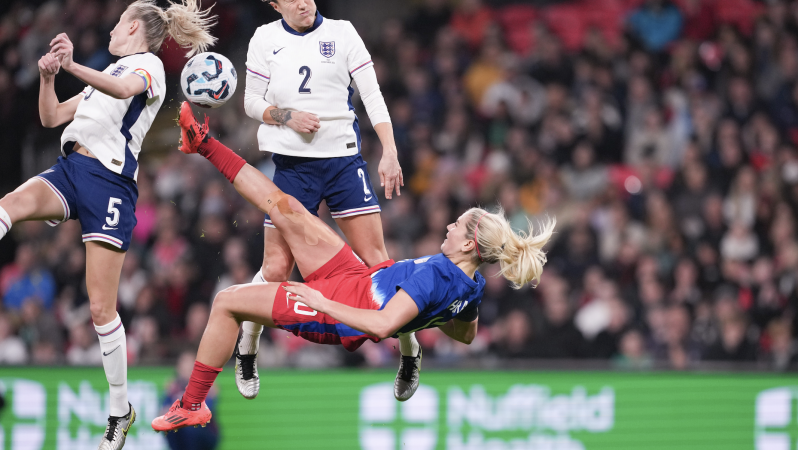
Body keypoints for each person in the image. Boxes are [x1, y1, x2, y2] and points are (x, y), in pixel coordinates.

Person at [150, 104, 554, 432]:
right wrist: (424, 318)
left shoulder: (437, 276)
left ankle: (193, 404)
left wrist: (321, 302)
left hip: (335, 310)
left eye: (457, 225)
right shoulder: (472, 285)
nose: (448, 226)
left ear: (468, 244)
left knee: (226, 302)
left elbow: (381, 326)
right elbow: (465, 335)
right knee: (282, 205)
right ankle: (203, 142)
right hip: (356, 278)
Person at [0, 2, 216, 449]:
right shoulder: (107, 74)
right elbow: (51, 117)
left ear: (133, 26)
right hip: (71, 170)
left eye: (118, 23)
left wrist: (73, 64)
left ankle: (120, 409)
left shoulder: (148, 66)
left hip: (110, 183)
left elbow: (121, 89)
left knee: (101, 308)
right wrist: (47, 78)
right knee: (8, 206)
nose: (112, 30)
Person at [236, 0, 406, 401]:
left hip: (343, 162)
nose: (303, 2)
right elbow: (251, 102)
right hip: (294, 168)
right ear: (274, 4)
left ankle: (410, 354)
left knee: (379, 264)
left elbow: (372, 94)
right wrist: (286, 116)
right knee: (275, 268)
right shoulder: (264, 38)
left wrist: (390, 150)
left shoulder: (342, 32)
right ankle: (247, 347)